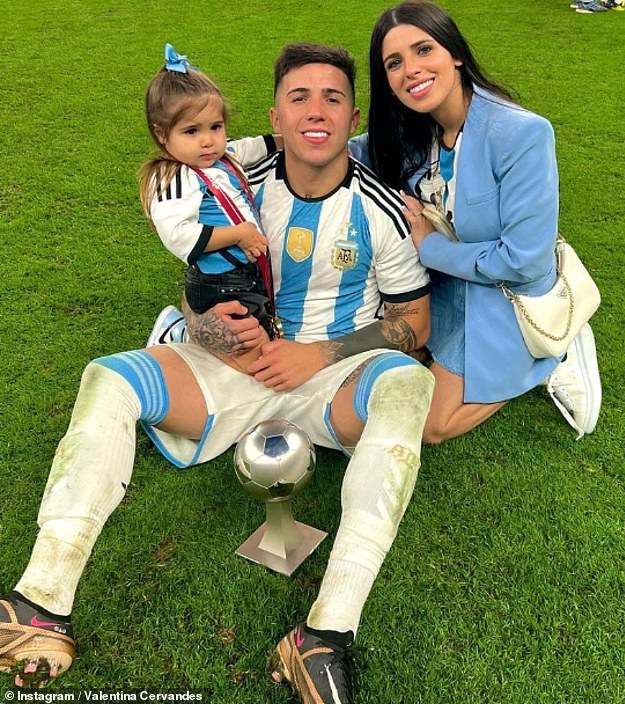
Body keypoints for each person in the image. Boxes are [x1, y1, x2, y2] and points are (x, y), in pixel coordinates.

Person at [0, 43, 434, 703]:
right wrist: (207, 330)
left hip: (331, 377)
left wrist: (317, 355)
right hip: (231, 367)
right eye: (299, 97)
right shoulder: (225, 178)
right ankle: (41, 601)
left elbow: (414, 323)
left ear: (353, 119)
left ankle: (324, 634)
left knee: (410, 383)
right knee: (109, 377)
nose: (316, 111)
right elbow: (192, 293)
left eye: (333, 98)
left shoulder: (379, 209)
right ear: (275, 118)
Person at [349, 0, 602, 443]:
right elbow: (343, 148)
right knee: (402, 354)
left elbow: (523, 260)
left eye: (423, 50)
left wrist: (428, 247)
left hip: (509, 293)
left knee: (433, 425)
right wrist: (253, 148)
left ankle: (554, 352)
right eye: (394, 63)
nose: (410, 69)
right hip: (452, 283)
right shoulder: (414, 128)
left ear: (456, 54)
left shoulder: (522, 134)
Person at [139, 44, 280, 372]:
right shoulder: (174, 176)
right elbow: (178, 235)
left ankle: (194, 343)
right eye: (191, 131)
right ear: (162, 135)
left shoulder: (222, 156)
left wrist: (289, 139)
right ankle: (174, 339)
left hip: (244, 274)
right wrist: (240, 234)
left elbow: (252, 147)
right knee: (252, 354)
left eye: (215, 127)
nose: (207, 140)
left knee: (261, 338)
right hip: (219, 281)